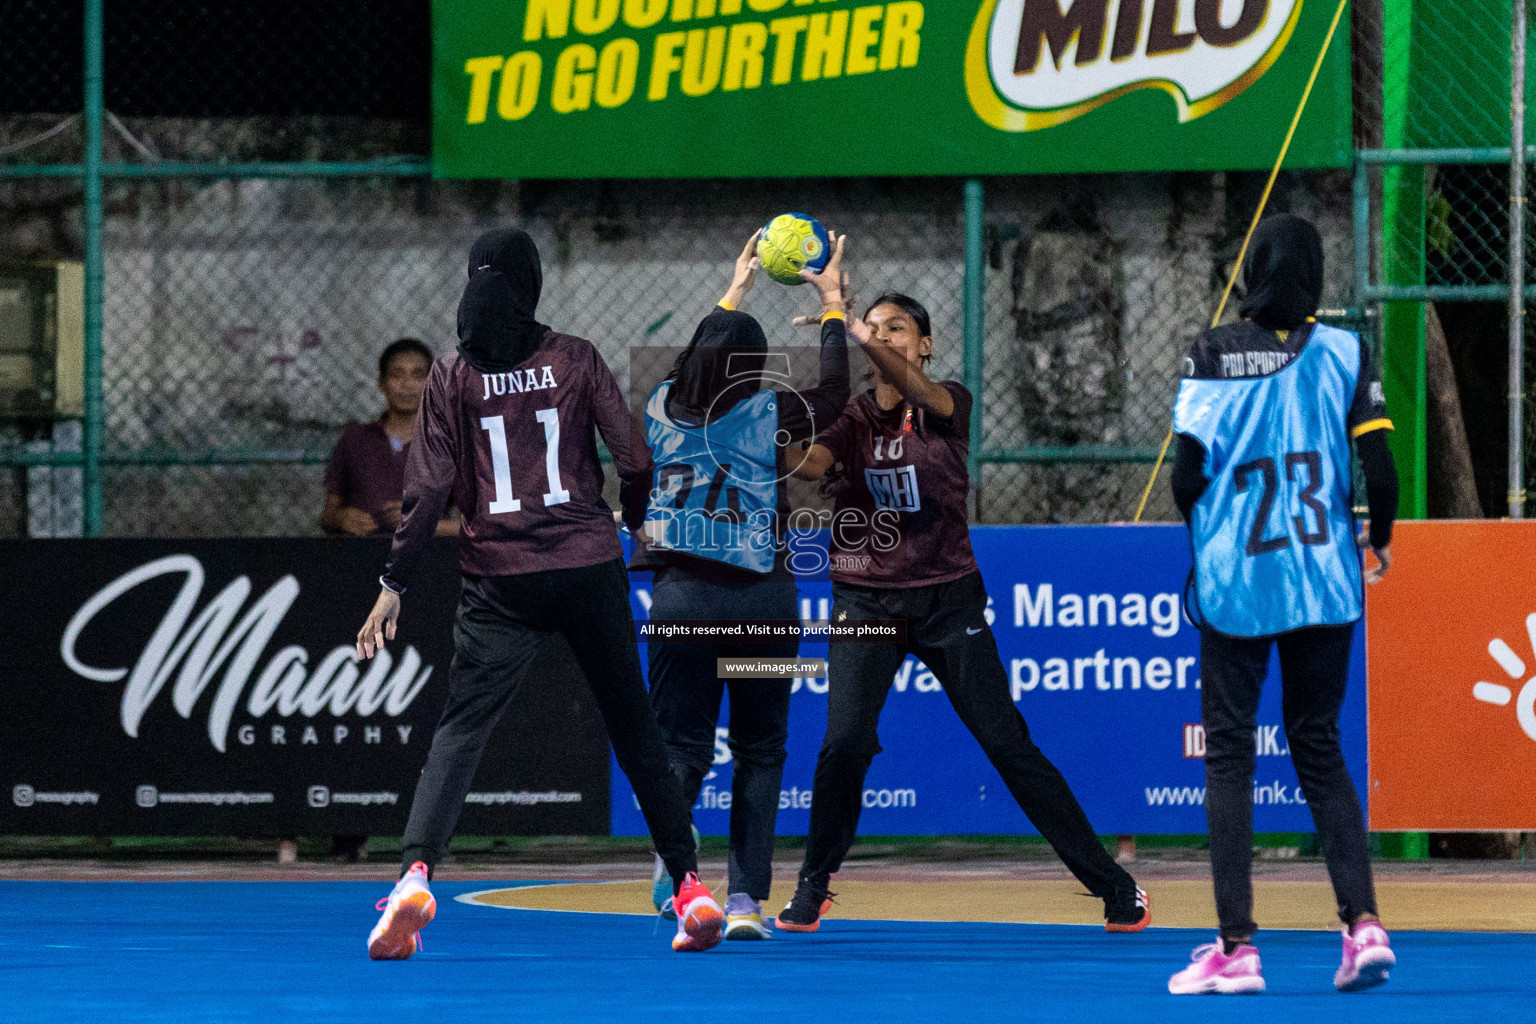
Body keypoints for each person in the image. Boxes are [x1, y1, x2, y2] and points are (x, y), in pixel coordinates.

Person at [354, 228, 723, 959]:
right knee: (637, 732)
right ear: (532, 284)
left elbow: (426, 491)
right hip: (586, 564)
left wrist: (393, 581)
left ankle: (414, 877)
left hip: (499, 579)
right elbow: (634, 455)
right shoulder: (575, 357)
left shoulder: (453, 375)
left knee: (460, 733)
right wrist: (641, 521)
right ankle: (690, 888)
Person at [774, 292, 1150, 934]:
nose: (886, 335)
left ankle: (1114, 886)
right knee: (844, 742)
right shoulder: (854, 418)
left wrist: (855, 327)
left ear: (924, 346)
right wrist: (775, 422)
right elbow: (810, 463)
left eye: (900, 328)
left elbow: (925, 392)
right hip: (866, 598)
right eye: (879, 326)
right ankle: (814, 883)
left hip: (949, 600)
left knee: (1007, 742)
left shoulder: (948, 404)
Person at [1165, 214, 1398, 995]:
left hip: (1240, 580)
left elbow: (1185, 478)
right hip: (1326, 579)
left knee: (1230, 754)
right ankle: (1362, 925)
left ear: (1251, 269)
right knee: (1320, 748)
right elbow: (1380, 468)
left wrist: (1207, 516)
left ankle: (1237, 946)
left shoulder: (1212, 352)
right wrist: (1382, 535)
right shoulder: (1346, 350)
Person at [631, 230, 850, 939]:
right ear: (753, 367)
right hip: (763, 604)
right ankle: (748, 899)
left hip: (682, 605)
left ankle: (677, 867)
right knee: (761, 750)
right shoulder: (767, 413)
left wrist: (733, 291)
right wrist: (832, 304)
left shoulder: (659, 408)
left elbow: (703, 355)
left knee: (683, 748)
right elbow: (838, 391)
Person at [321, 337, 459, 539]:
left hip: (425, 558)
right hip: (358, 555)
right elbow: (327, 516)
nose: (407, 385)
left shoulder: (447, 444)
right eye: (397, 375)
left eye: (418, 376)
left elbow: (476, 525)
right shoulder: (355, 439)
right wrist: (341, 518)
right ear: (382, 383)